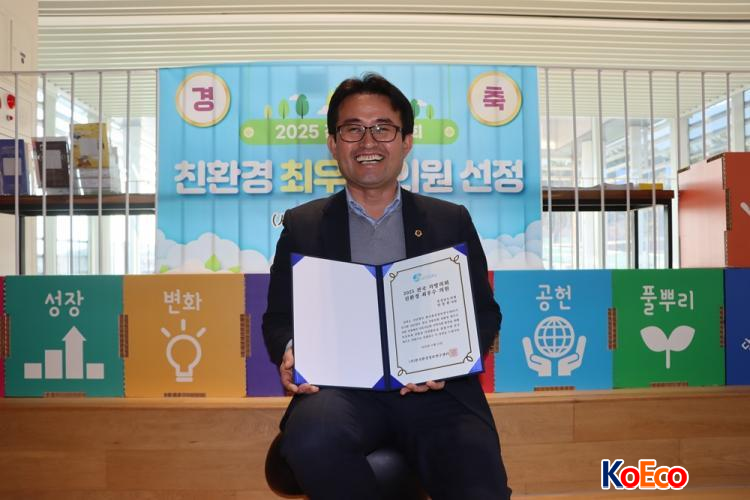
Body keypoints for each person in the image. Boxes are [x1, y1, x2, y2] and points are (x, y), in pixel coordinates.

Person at [263, 73, 511, 500]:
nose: (368, 142)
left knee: (477, 479)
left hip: (436, 391)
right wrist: (290, 349)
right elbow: (279, 318)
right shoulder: (303, 225)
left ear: (406, 140)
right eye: (352, 129)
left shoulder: (448, 220)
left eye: (383, 128)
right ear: (333, 143)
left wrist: (450, 361)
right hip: (341, 391)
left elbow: (484, 313)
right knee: (312, 440)